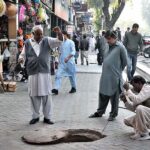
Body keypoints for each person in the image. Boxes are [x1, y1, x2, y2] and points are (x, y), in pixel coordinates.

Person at [18, 25, 63, 125]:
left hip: (44, 72)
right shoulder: (27, 43)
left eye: (41, 34)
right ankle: (35, 116)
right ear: (33, 34)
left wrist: (59, 32)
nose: (41, 36)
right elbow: (23, 54)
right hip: (33, 72)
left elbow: (59, 41)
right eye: (38, 34)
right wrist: (21, 59)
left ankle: (47, 117)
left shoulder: (47, 40)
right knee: (33, 95)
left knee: (46, 95)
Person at [89, 30, 128, 121]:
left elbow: (125, 62)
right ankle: (100, 112)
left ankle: (113, 114)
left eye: (109, 39)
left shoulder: (120, 47)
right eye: (107, 39)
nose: (107, 41)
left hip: (114, 76)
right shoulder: (107, 46)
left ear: (115, 38)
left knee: (114, 96)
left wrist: (117, 71)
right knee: (102, 93)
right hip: (105, 75)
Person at [120, 75, 150, 140]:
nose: (134, 88)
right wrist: (125, 100)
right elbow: (134, 108)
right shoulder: (141, 93)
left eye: (134, 85)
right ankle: (140, 131)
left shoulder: (148, 88)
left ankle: (144, 134)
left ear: (139, 83)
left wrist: (128, 89)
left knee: (140, 108)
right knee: (127, 121)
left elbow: (137, 100)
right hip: (148, 117)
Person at [51, 31, 76, 95]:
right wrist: (55, 56)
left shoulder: (71, 42)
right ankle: (56, 89)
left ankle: (74, 87)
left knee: (72, 76)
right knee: (58, 74)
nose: (60, 37)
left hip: (70, 62)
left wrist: (68, 57)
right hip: (62, 63)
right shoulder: (60, 43)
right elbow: (58, 51)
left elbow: (73, 52)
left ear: (65, 35)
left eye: (61, 35)